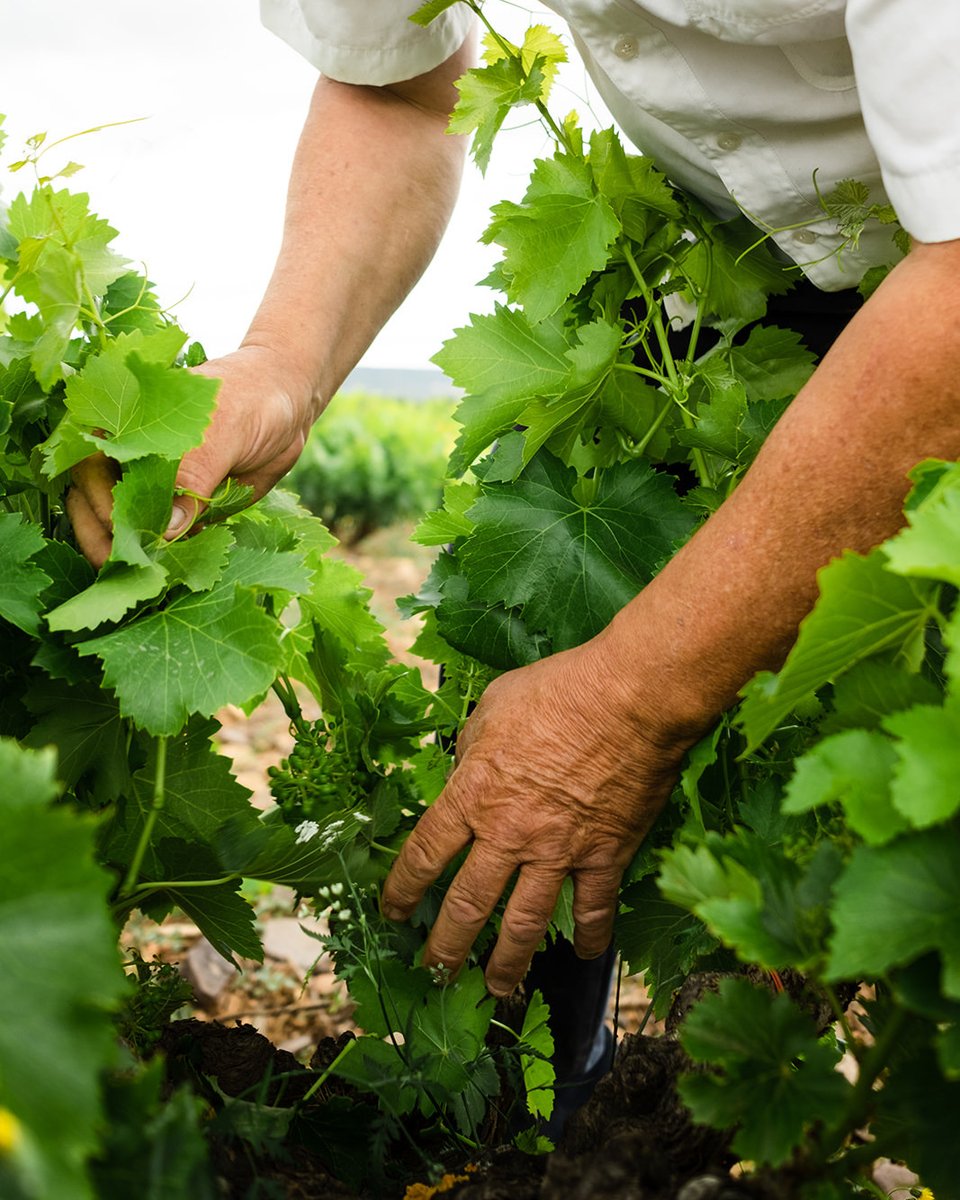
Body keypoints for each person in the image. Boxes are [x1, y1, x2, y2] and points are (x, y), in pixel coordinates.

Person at [70, 1, 960, 1012]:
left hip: (939, 292)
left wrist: (630, 704)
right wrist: (281, 361)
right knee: (582, 755)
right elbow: (398, 87)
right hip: (734, 268)